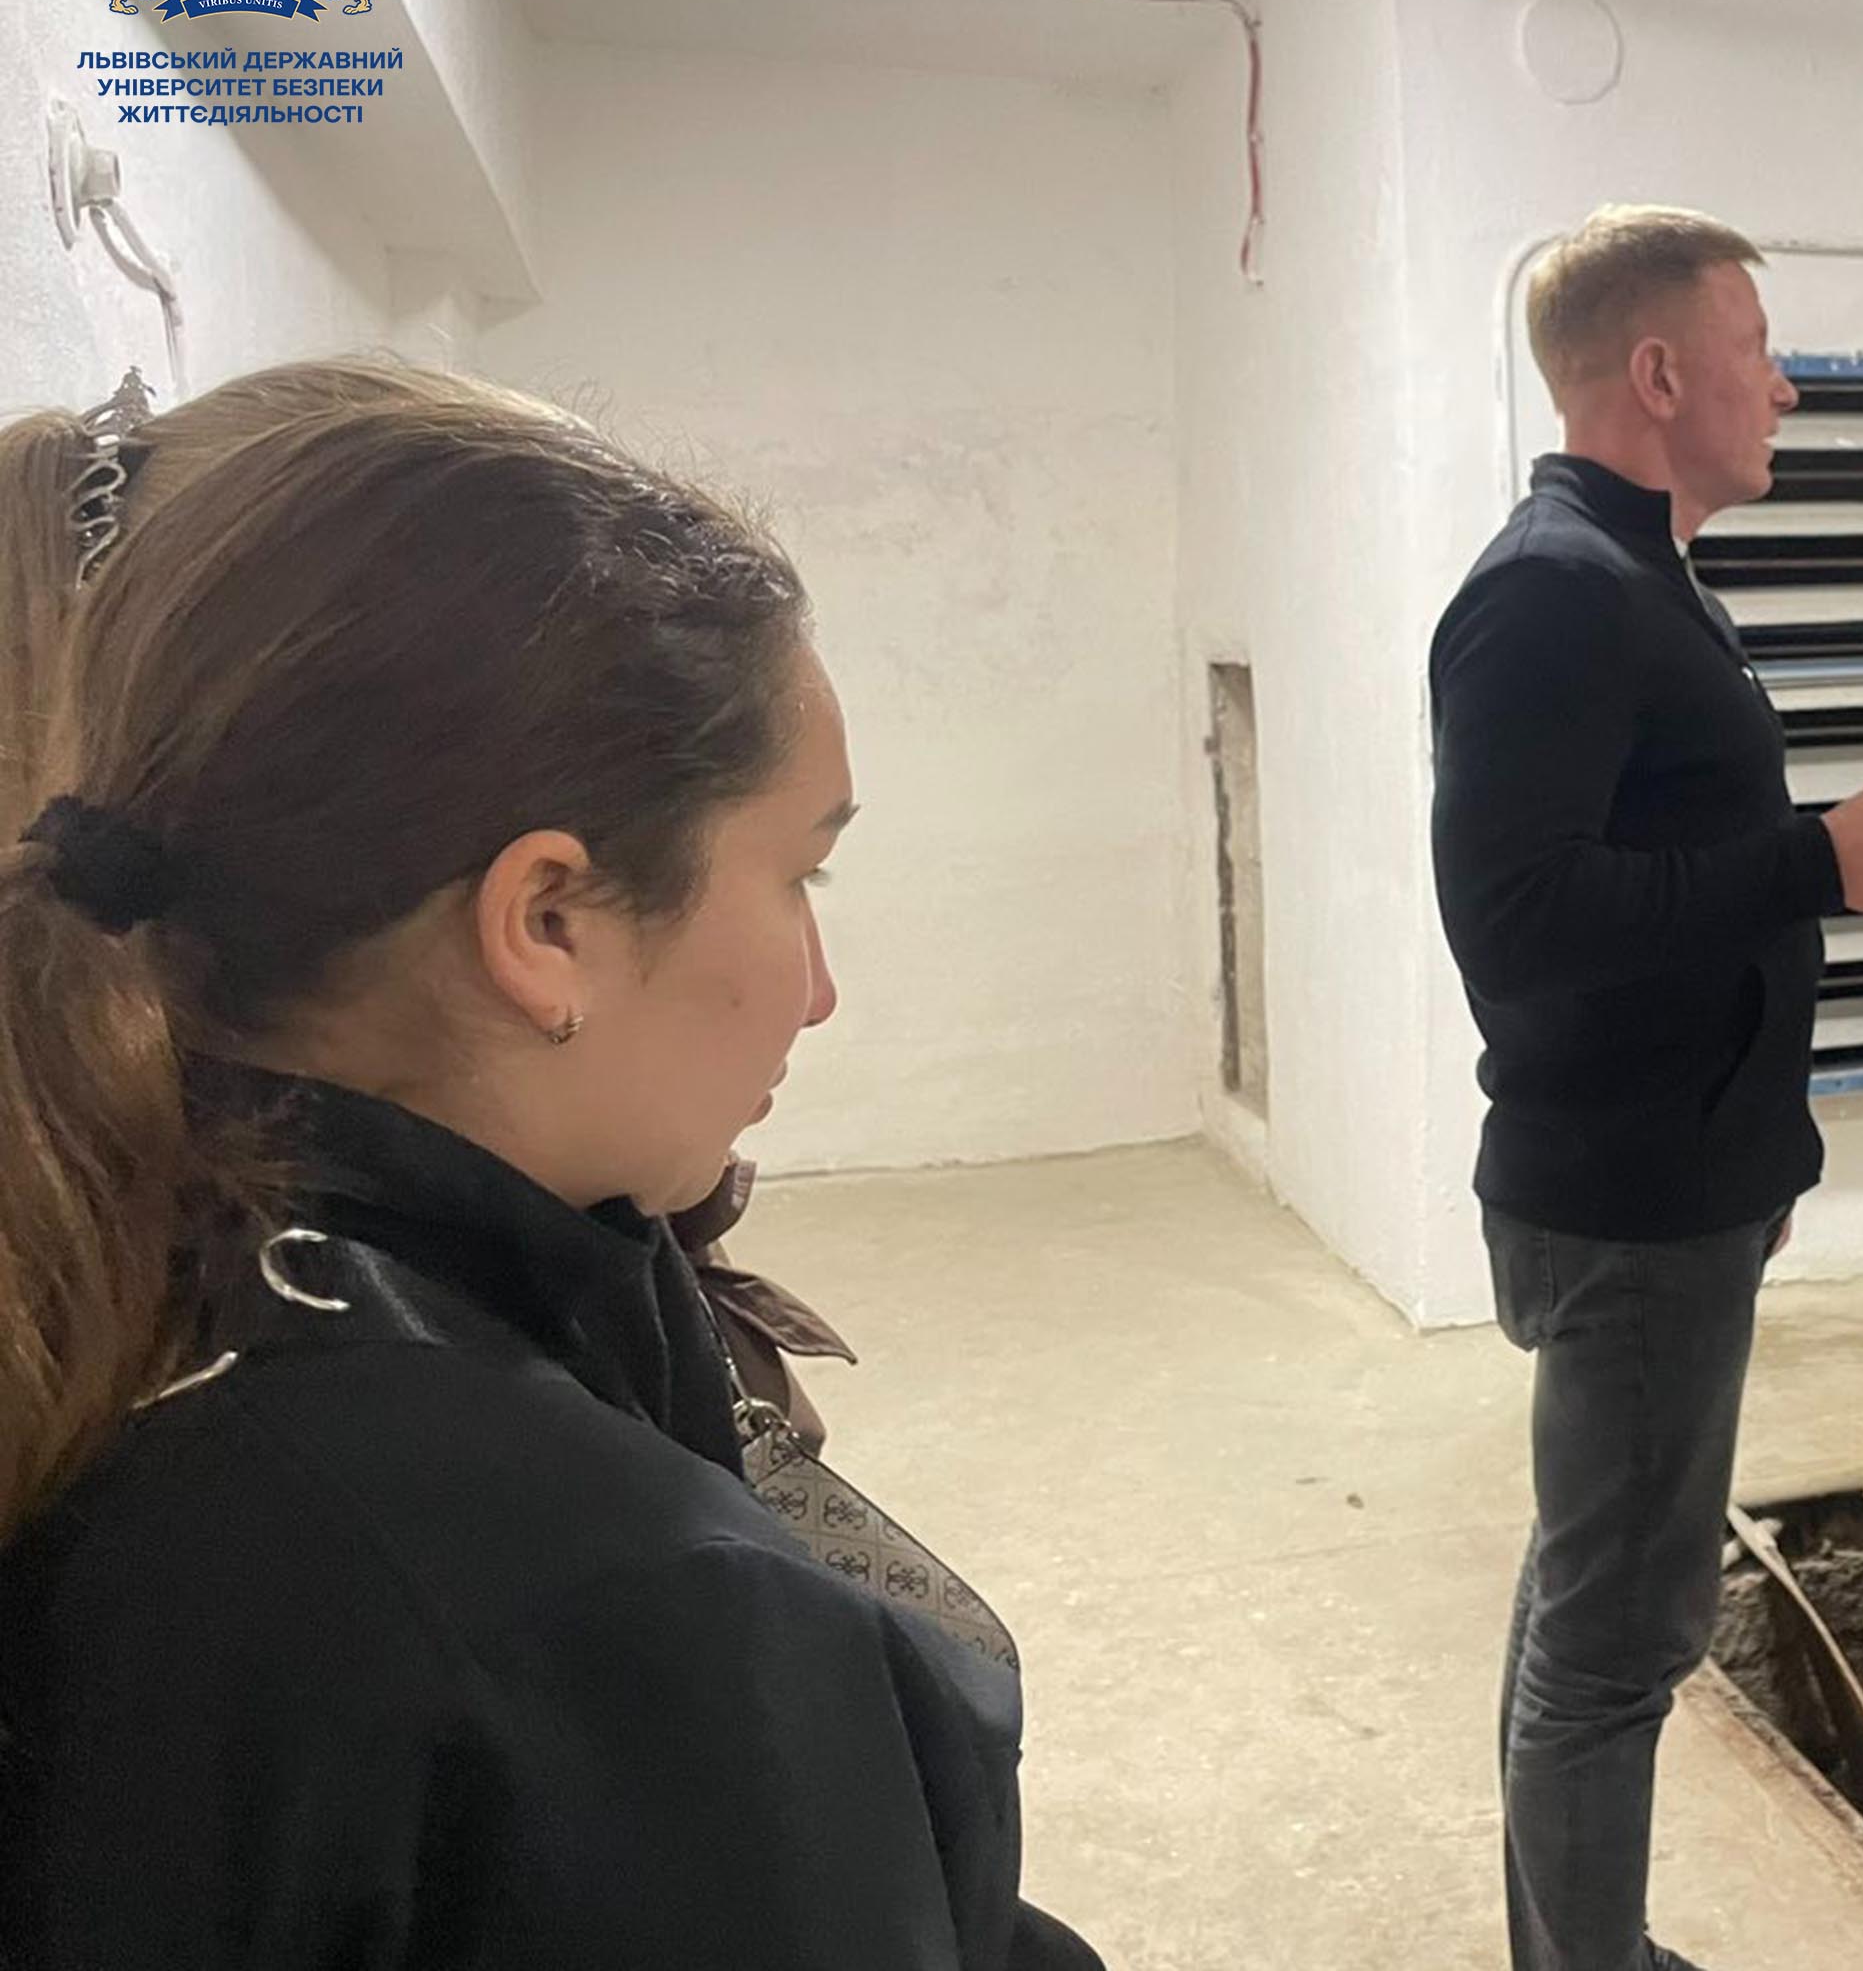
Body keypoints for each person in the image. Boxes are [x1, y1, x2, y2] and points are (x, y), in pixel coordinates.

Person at [0, 357, 1099, 1969]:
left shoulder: (107, 1261)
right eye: (801, 877)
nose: (818, 990)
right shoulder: (595, 1607)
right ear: (549, 921)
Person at [1428, 206, 1863, 1971]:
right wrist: (1819, 863)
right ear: (1663, 373)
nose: (1790, 385)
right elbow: (1516, 917)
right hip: (1634, 1197)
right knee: (1619, 1644)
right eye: (1759, 349)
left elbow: (1660, 869)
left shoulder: (1639, 575)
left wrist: (1831, 855)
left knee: (1589, 1598)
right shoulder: (1552, 594)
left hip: (1675, 1173)